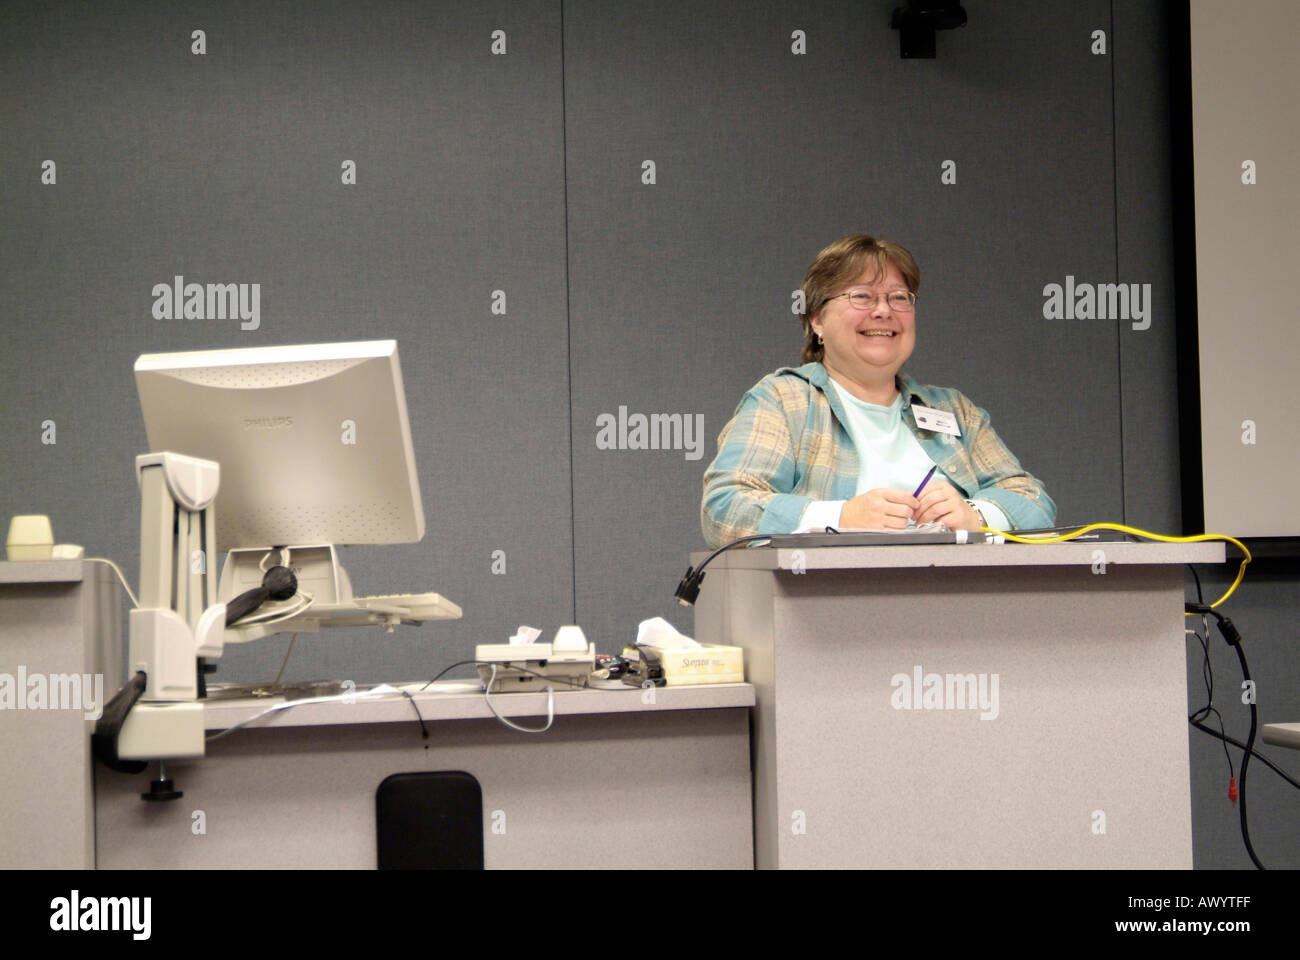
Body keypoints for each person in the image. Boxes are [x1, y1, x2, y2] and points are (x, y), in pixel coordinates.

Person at [700, 233, 1056, 548]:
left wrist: (976, 515)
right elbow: (725, 509)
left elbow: (1034, 501)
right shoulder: (784, 400)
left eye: (899, 298)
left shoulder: (953, 410)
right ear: (817, 320)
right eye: (862, 296)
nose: (884, 311)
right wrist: (842, 518)